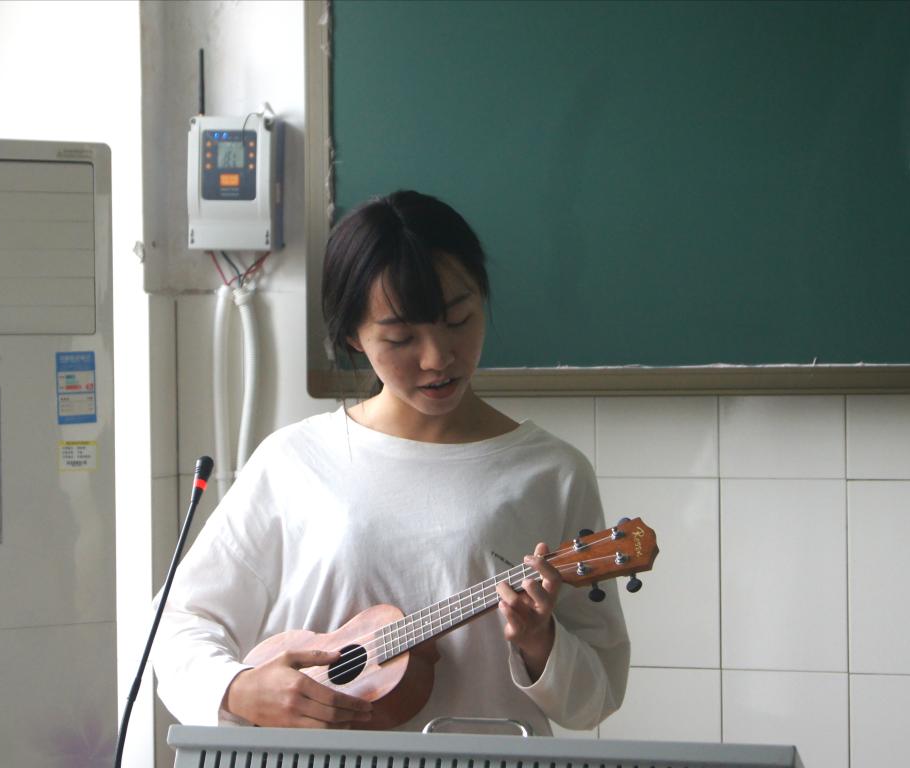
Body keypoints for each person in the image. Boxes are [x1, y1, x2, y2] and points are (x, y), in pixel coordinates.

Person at [152, 190, 630, 734]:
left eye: (459, 320)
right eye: (401, 337)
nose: (437, 358)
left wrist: (542, 645)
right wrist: (236, 689)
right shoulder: (296, 460)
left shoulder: (552, 472)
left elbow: (597, 696)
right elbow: (177, 620)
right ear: (352, 334)